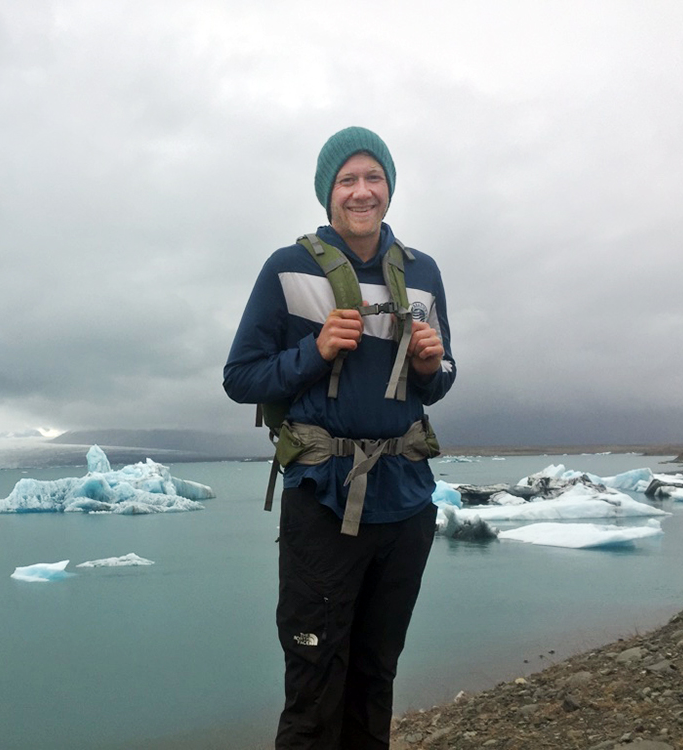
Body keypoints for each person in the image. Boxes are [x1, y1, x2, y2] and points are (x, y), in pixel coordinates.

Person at [223, 126, 456, 750]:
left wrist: (434, 367)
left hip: (405, 502)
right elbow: (240, 377)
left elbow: (439, 381)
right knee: (314, 677)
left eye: (373, 178)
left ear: (389, 188)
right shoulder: (288, 267)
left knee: (376, 674)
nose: (361, 192)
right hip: (323, 501)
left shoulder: (423, 273)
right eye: (347, 180)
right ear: (328, 194)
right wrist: (314, 351)